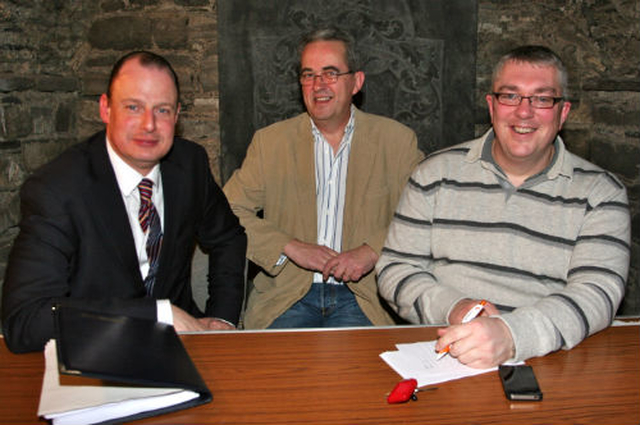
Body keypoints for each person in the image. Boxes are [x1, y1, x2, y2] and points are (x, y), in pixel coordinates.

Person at [376, 45, 630, 368]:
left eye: (542, 99)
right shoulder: (434, 175)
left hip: (548, 361)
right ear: (491, 106)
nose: (524, 112)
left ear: (562, 113)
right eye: (510, 96)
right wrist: (456, 308)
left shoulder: (602, 194)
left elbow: (597, 293)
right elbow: (395, 268)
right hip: (440, 355)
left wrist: (511, 335)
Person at [2, 51, 247, 353]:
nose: (149, 125)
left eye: (162, 110)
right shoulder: (57, 189)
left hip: (183, 347)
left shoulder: (189, 165)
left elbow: (229, 238)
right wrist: (158, 315)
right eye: (133, 107)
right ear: (105, 109)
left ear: (177, 115)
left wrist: (222, 318)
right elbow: (25, 321)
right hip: (93, 353)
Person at [223, 27, 423, 329]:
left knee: (369, 376)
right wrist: (289, 246)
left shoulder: (396, 142)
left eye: (330, 73)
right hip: (287, 296)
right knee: (270, 374)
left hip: (366, 298)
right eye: (308, 75)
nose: (318, 85)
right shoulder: (270, 143)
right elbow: (227, 212)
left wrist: (372, 251)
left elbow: (423, 217)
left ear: (356, 82)